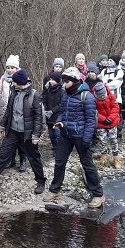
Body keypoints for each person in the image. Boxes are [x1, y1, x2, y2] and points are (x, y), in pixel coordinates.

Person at [0, 69, 47, 194]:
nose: (12, 84)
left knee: (34, 158)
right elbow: (9, 111)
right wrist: (3, 126)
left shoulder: (34, 95)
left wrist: (36, 135)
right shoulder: (14, 92)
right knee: (2, 156)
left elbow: (38, 117)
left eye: (14, 82)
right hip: (13, 131)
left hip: (27, 134)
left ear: (20, 82)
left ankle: (40, 181)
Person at [45, 67, 106, 209]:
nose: (64, 84)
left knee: (87, 165)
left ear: (74, 81)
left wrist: (86, 139)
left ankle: (98, 194)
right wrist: (59, 122)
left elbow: (91, 121)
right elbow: (62, 112)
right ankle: (55, 190)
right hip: (66, 135)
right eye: (63, 81)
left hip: (81, 136)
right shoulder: (66, 95)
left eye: (66, 81)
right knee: (59, 163)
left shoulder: (87, 97)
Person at [0, 54, 27, 171]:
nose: (10, 70)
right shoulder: (3, 79)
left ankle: (23, 160)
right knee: (10, 138)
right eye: (8, 67)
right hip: (7, 111)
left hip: (19, 112)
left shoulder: (22, 77)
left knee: (21, 139)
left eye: (12, 67)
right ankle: (11, 160)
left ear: (17, 68)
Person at [92, 82, 121, 168]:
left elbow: (115, 108)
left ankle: (116, 158)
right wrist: (103, 119)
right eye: (100, 96)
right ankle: (104, 155)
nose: (102, 97)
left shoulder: (111, 95)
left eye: (103, 95)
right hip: (101, 123)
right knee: (102, 140)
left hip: (112, 121)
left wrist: (110, 118)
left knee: (113, 140)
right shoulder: (93, 99)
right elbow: (94, 111)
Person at [41, 70, 65, 155]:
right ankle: (55, 149)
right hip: (48, 116)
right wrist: (45, 109)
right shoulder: (48, 89)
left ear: (58, 80)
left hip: (57, 116)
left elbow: (61, 104)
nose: (51, 81)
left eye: (53, 79)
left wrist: (52, 111)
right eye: (50, 79)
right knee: (51, 135)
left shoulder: (62, 91)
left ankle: (59, 151)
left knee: (57, 135)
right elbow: (44, 99)